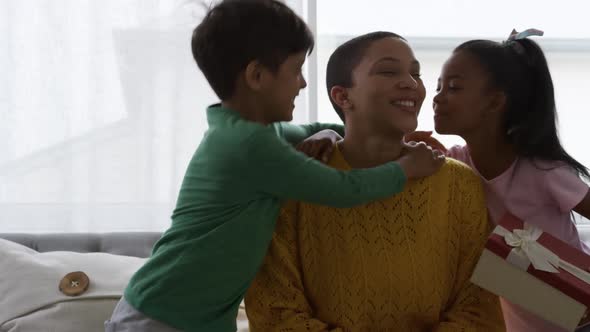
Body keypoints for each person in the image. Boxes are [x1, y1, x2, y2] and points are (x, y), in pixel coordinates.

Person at [105, 1, 445, 331]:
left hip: (190, 315)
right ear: (256, 76)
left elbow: (309, 131)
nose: (303, 83)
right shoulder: (250, 146)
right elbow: (344, 189)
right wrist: (407, 167)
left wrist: (345, 133)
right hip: (163, 315)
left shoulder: (250, 133)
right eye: (296, 70)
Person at [245, 31, 505, 332]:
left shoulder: (460, 185)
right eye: (388, 70)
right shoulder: (295, 187)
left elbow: (482, 308)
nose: (411, 82)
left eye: (416, 73)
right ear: (343, 96)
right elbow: (275, 313)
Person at [409, 29, 590, 332]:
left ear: (495, 103)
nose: (436, 98)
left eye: (453, 87)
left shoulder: (543, 170)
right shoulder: (452, 163)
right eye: (439, 86)